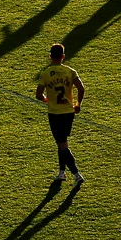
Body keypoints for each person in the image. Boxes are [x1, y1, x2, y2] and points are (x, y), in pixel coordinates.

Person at [35, 43, 85, 184]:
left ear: (50, 56)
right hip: (69, 112)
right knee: (61, 142)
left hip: (55, 113)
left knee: (62, 144)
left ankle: (76, 174)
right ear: (63, 56)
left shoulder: (46, 73)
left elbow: (39, 94)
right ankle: (62, 172)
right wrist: (78, 104)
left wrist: (46, 99)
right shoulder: (70, 71)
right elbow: (81, 89)